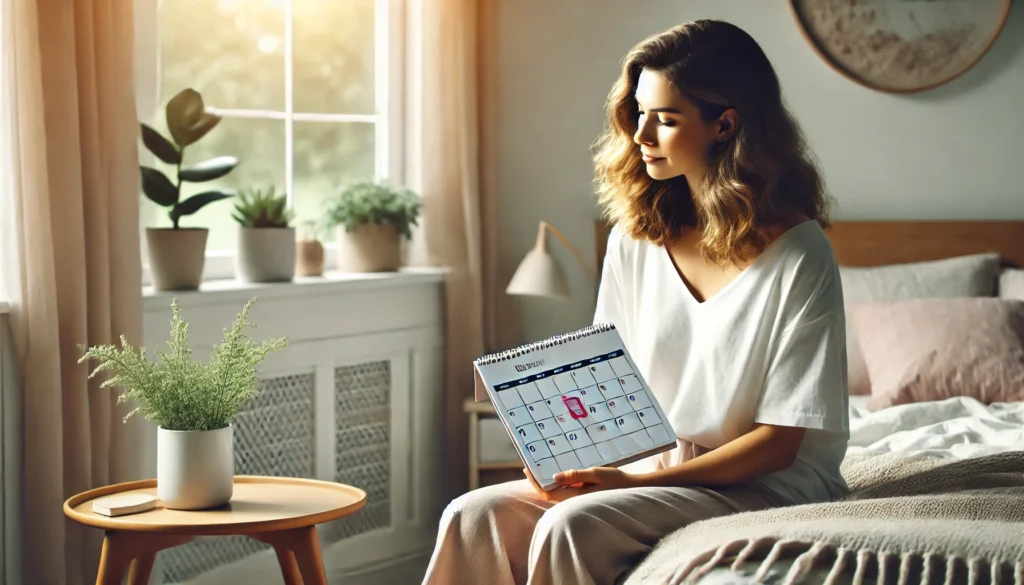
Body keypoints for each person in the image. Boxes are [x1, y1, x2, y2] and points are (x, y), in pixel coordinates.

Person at [421, 19, 849, 585]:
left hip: (762, 484)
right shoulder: (635, 235)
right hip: (654, 467)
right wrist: (564, 458)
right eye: (639, 113)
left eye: (666, 120)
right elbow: (607, 381)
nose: (641, 135)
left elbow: (778, 443)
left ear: (726, 124)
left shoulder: (800, 255)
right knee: (471, 514)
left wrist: (633, 486)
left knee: (572, 525)